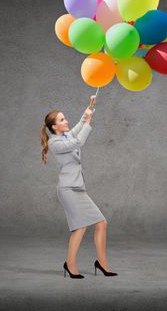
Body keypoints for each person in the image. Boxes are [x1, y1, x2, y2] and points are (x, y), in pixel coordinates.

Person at [40, 95, 118, 279]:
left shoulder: (66, 134)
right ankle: (71, 264)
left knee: (101, 223)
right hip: (68, 189)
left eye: (65, 118)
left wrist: (89, 107)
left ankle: (102, 263)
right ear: (54, 127)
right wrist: (88, 123)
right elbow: (77, 142)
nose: (66, 121)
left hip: (77, 188)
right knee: (80, 227)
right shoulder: (55, 143)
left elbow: (78, 126)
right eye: (61, 119)